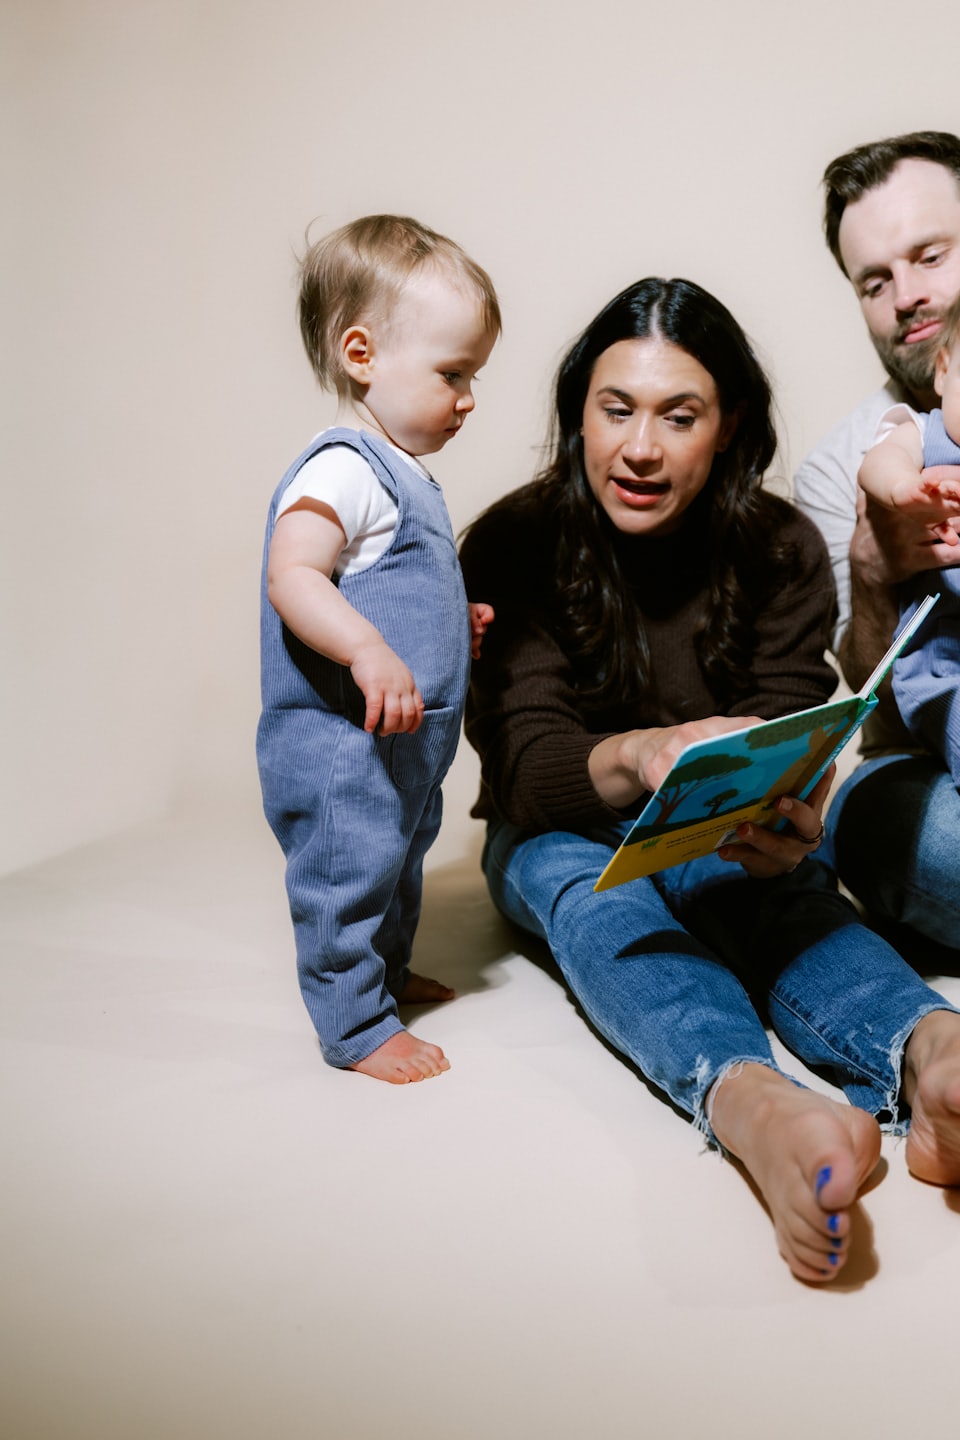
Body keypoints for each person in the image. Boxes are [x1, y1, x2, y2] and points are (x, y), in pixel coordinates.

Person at [460, 277, 960, 1284]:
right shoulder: (511, 544)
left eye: (679, 416)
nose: (640, 447)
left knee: (779, 894)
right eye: (616, 409)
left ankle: (936, 1052)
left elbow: (789, 726)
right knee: (592, 893)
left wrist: (792, 811)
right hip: (558, 825)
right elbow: (521, 767)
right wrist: (643, 753)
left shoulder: (779, 548)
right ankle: (755, 1105)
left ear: (728, 427)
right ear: (579, 415)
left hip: (715, 828)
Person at [257, 214, 500, 1084]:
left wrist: (451, 624)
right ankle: (354, 1023)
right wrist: (365, 648)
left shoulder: (402, 474)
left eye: (474, 376)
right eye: (452, 373)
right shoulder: (343, 467)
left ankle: (384, 980)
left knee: (397, 866)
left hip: (403, 746)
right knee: (347, 874)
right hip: (343, 750)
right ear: (361, 354)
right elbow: (295, 575)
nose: (468, 398)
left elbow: (386, 582)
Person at [794, 131, 960, 950]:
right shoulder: (841, 468)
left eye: (930, 256)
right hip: (926, 759)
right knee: (875, 817)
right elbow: (871, 695)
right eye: (875, 281)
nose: (907, 297)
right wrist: (871, 571)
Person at [858, 292, 960, 787]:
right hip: (944, 671)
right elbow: (877, 462)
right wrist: (902, 487)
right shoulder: (923, 433)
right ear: (943, 371)